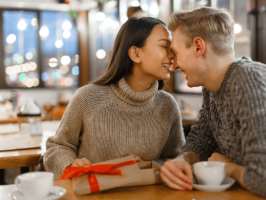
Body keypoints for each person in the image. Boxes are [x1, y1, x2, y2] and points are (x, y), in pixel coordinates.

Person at [160, 7, 266, 199]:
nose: (174, 64)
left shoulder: (248, 80)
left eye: (176, 53)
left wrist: (228, 168)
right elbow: (202, 140)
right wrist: (183, 160)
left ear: (198, 47)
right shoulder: (212, 87)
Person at [44, 17, 185, 180]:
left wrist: (147, 166)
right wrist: (70, 167)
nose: (172, 56)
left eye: (172, 49)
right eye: (164, 46)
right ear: (135, 53)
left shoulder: (167, 105)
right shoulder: (88, 97)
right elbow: (58, 147)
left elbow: (175, 159)